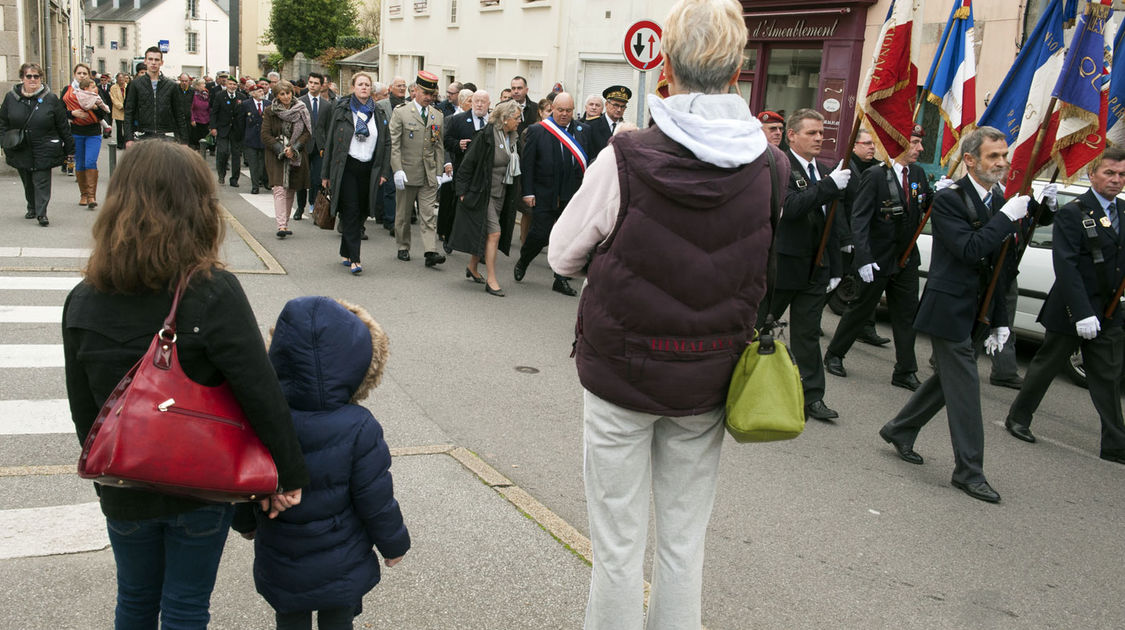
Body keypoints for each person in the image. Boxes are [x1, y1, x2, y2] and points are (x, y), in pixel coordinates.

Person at [547, 1, 778, 625]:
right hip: (708, 378)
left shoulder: (626, 156)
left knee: (618, 549)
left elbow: (562, 255)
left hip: (621, 373)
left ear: (668, 70)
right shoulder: (770, 166)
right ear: (737, 75)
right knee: (683, 543)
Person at [62, 140, 308, 628]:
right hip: (200, 482)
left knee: (134, 599)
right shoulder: (211, 289)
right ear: (197, 205)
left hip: (124, 479)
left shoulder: (83, 298)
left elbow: (83, 404)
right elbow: (258, 391)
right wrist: (288, 473)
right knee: (186, 605)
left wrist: (107, 475)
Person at [232, 296, 410, 630]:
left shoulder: (263, 418)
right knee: (338, 619)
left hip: (281, 553)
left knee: (289, 619)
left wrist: (244, 522)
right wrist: (393, 543)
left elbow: (247, 478)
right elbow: (375, 498)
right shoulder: (359, 426)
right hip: (341, 558)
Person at [878, 126, 1029, 504]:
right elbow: (969, 249)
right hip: (948, 309)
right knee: (965, 391)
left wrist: (1001, 320)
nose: (1002, 162)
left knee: (945, 383)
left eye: (1004, 155)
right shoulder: (950, 200)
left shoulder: (998, 201)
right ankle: (969, 471)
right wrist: (1006, 219)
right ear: (970, 160)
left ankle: (900, 428)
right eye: (993, 156)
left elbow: (1001, 268)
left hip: (978, 311)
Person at [1004, 148, 1125, 465]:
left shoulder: (1123, 211)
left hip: (1109, 311)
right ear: (1093, 175)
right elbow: (1067, 266)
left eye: (1122, 175)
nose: (1116, 180)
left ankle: (1115, 443)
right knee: (1045, 368)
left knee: (1108, 378)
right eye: (1109, 173)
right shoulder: (1074, 212)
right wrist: (1082, 312)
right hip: (1073, 309)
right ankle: (1018, 417)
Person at [824, 124, 932, 391]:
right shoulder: (875, 175)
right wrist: (863, 257)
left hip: (906, 258)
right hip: (877, 258)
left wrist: (943, 195)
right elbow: (859, 219)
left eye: (919, 143)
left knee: (907, 316)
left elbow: (923, 207)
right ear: (898, 144)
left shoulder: (917, 173)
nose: (920, 148)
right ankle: (834, 355)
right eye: (915, 142)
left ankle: (905, 370)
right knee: (860, 310)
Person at [760, 108, 848, 421]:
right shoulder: (778, 165)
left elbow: (831, 224)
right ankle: (743, 383)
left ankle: (811, 397)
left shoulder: (824, 171)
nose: (818, 139)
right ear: (792, 135)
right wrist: (828, 187)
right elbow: (791, 207)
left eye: (822, 134)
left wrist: (836, 266)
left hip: (816, 267)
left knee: (808, 334)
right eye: (811, 133)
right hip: (783, 265)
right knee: (761, 326)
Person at [515, 92, 590, 296]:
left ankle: (560, 278)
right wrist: (528, 192)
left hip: (572, 194)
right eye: (560, 110)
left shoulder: (583, 130)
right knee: (540, 234)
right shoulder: (538, 131)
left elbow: (589, 163)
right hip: (545, 192)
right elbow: (528, 165)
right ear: (552, 109)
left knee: (567, 238)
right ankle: (524, 260)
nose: (564, 114)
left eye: (568, 110)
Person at [448, 99, 522, 297]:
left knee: (485, 231)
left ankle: (472, 267)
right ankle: (491, 279)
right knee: (494, 234)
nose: (519, 121)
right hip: (483, 193)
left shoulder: (513, 137)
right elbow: (466, 165)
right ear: (505, 119)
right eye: (516, 118)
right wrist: (461, 192)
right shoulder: (485, 136)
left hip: (502, 194)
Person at [322, 72, 391, 275]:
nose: (363, 88)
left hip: (370, 168)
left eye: (367, 85)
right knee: (350, 210)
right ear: (353, 87)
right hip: (346, 167)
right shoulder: (342, 109)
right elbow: (331, 142)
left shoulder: (378, 112)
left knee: (361, 211)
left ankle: (345, 250)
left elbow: (386, 143)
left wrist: (384, 171)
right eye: (360, 84)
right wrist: (326, 174)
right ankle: (355, 258)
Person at [0, 63, 74, 227]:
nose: (33, 79)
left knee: (41, 180)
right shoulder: (11, 98)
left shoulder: (51, 99)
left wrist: (70, 148)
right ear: (22, 78)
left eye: (36, 76)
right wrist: (4, 140)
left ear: (41, 78)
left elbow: (62, 125)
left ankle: (42, 213)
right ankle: (32, 206)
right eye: (29, 76)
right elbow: (3, 122)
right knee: (27, 180)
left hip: (44, 145)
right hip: (20, 146)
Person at [390, 70, 449, 266]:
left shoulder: (437, 115)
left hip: (428, 174)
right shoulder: (401, 112)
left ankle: (430, 251)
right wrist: (397, 169)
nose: (429, 98)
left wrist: (439, 172)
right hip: (407, 172)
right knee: (404, 215)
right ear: (415, 90)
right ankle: (403, 246)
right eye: (425, 93)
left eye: (432, 95)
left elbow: (439, 146)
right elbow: (394, 144)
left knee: (428, 214)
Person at [841, 128, 891, 347]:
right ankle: (814, 316)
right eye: (866, 143)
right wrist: (845, 238)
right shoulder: (844, 167)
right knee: (836, 281)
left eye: (873, 144)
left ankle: (866, 328)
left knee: (866, 286)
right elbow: (840, 207)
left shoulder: (879, 169)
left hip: (869, 238)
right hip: (849, 237)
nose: (872, 147)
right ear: (854, 146)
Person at [261, 81, 310, 239]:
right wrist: (281, 149)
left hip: (296, 153)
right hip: (277, 155)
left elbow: (307, 132)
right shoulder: (270, 111)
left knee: (290, 189)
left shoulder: (301, 108)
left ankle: (285, 223)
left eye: (288, 93)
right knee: (279, 188)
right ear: (276, 96)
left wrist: (294, 148)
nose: (286, 96)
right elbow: (265, 134)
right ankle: (281, 225)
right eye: (282, 94)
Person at [440, 90, 490, 244]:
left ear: (489, 104)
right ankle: (449, 238)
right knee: (456, 206)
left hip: (484, 173)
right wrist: (458, 144)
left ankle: (479, 246)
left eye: (483, 101)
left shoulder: (493, 122)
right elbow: (446, 141)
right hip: (463, 170)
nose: (479, 104)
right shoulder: (459, 120)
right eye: (476, 101)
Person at [62, 64, 107, 208]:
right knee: (80, 163)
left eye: (85, 73)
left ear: (88, 76)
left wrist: (95, 108)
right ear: (74, 74)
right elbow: (59, 111)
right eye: (79, 73)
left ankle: (92, 197)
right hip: (76, 132)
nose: (82, 75)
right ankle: (84, 195)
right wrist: (72, 113)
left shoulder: (95, 91)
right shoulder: (67, 92)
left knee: (90, 162)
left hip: (93, 132)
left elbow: (105, 111)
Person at [123, 46, 188, 146]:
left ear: (161, 62)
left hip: (167, 136)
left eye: (157, 60)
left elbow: (179, 114)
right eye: (150, 59)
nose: (153, 62)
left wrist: (183, 141)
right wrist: (128, 138)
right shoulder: (135, 84)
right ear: (145, 61)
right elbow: (129, 112)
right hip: (142, 135)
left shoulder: (172, 86)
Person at [295, 72, 330, 219]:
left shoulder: (327, 105)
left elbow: (328, 127)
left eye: (316, 83)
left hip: (319, 146)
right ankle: (300, 207)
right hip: (303, 145)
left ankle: (315, 206)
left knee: (317, 179)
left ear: (321, 85)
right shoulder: (299, 102)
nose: (313, 85)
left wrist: (327, 146)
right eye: (311, 82)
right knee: (302, 178)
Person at [210, 75, 245, 188]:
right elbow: (214, 112)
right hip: (223, 129)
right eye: (230, 84)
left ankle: (234, 179)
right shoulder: (219, 96)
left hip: (236, 131)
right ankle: (221, 174)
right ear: (226, 85)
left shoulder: (242, 97)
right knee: (223, 152)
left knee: (236, 156)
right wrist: (213, 127)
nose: (232, 86)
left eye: (234, 84)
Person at [585, 85, 631, 159]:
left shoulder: (626, 128)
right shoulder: (592, 125)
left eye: (623, 106)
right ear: (606, 104)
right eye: (616, 105)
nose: (619, 109)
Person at [241, 85, 270, 194]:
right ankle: (255, 185)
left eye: (262, 91)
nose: (261, 93)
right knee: (253, 163)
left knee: (264, 162)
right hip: (250, 138)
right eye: (259, 91)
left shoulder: (268, 104)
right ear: (253, 93)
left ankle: (266, 181)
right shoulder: (246, 104)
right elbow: (241, 122)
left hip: (264, 138)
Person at [188, 78, 211, 154]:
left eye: (204, 83)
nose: (204, 85)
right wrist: (192, 119)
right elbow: (190, 108)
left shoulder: (206, 94)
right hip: (196, 120)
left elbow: (208, 107)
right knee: (196, 141)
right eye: (203, 84)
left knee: (204, 140)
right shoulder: (193, 95)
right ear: (197, 86)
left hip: (205, 119)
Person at [109, 72, 128, 148]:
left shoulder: (128, 86)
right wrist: (121, 106)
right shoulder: (113, 87)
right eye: (119, 78)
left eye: (122, 78)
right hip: (118, 110)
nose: (121, 80)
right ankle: (120, 143)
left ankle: (125, 143)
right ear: (117, 79)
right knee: (119, 128)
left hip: (127, 111)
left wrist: (127, 106)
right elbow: (113, 99)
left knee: (126, 128)